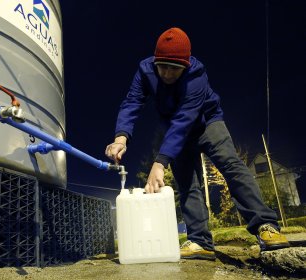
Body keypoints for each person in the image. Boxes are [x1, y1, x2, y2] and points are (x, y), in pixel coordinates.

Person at [105, 27, 290, 260]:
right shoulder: (145, 71)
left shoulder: (197, 76)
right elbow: (132, 102)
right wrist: (121, 137)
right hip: (175, 129)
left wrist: (160, 163)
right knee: (186, 182)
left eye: (174, 69)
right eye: (162, 66)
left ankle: (265, 225)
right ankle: (199, 240)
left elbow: (185, 120)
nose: (166, 74)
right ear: (155, 61)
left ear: (186, 65)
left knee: (232, 166)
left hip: (207, 124)